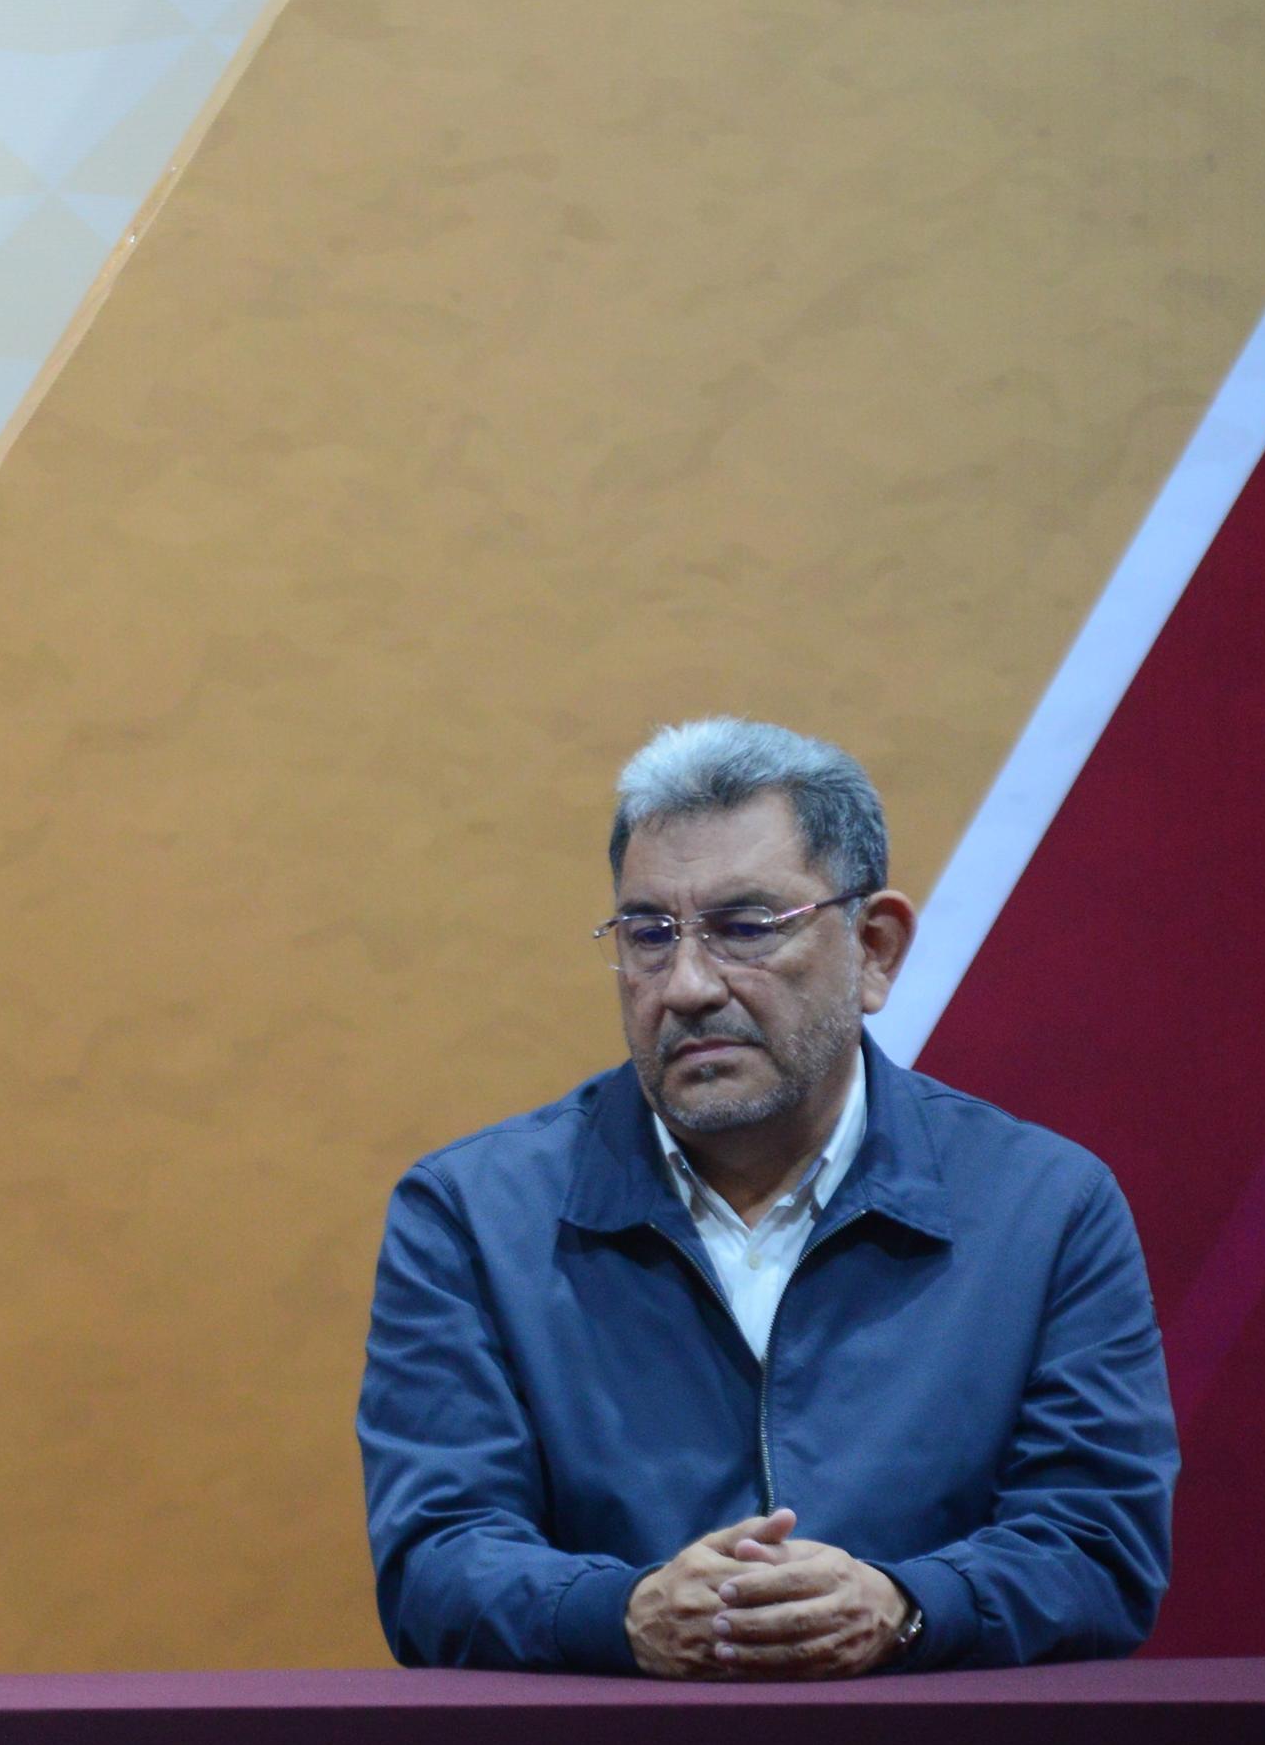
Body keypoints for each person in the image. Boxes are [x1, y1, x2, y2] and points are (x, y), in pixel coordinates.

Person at [359, 717, 1175, 1678]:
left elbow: (1097, 1545)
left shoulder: (1044, 1206)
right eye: (649, 935)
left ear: (875, 949)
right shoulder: (472, 1216)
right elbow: (434, 1561)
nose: (687, 985)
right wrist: (622, 1613)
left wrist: (906, 1606)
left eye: (746, 928)